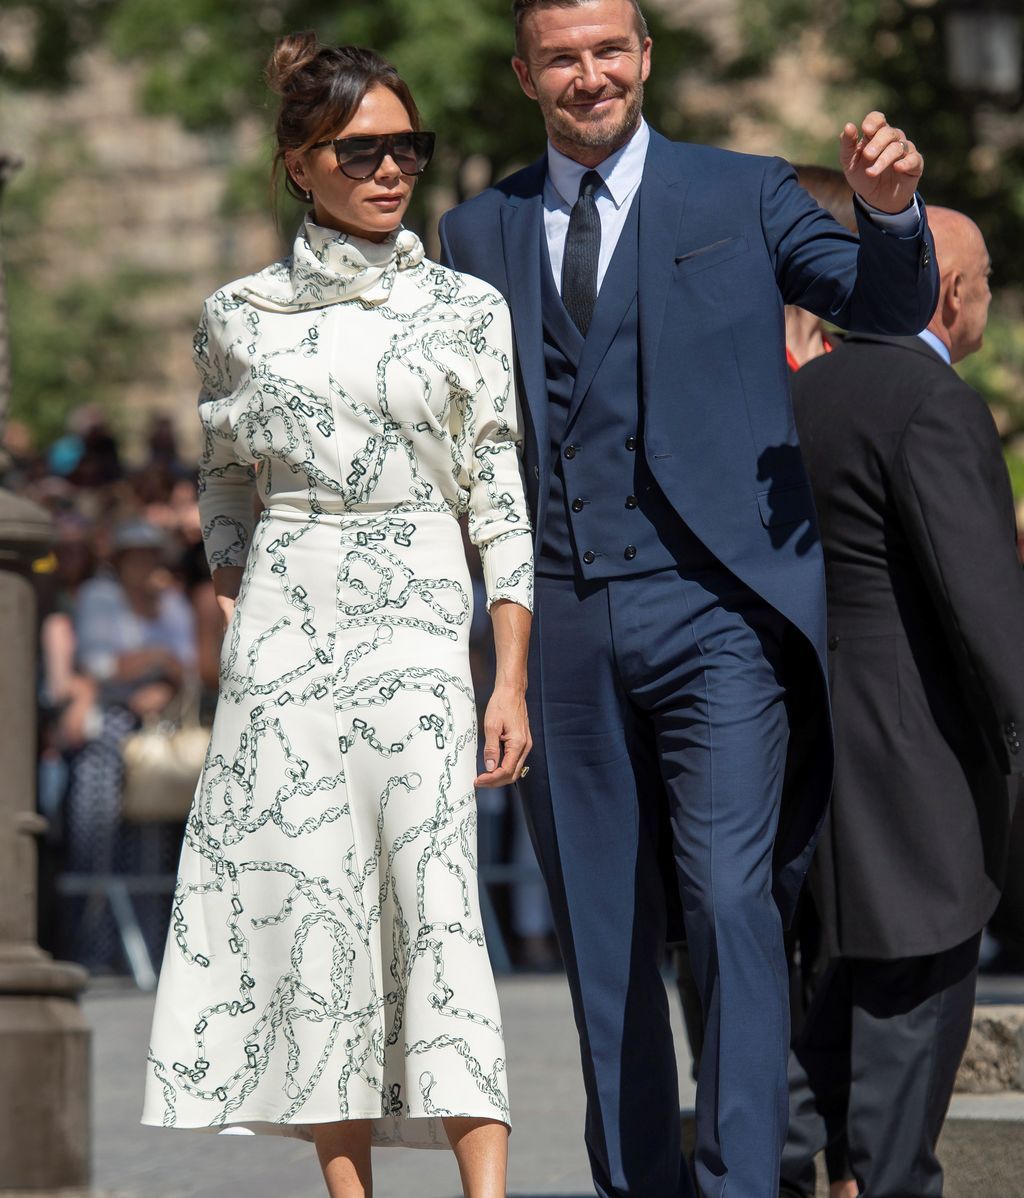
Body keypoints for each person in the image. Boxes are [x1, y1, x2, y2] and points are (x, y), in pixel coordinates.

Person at [439, 2, 938, 1195]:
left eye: (611, 49)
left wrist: (889, 213)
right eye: (563, 56)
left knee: (727, 903)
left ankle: (742, 1180)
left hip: (718, 612)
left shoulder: (743, 191)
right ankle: (638, 1183)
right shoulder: (474, 230)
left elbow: (885, 303)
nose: (591, 74)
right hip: (555, 620)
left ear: (646, 58)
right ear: (525, 74)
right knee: (601, 940)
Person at [141, 34, 534, 1198]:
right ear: (299, 163)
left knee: (440, 910)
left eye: (406, 145)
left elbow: (499, 496)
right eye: (360, 149)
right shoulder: (236, 315)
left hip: (420, 633)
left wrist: (504, 678)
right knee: (316, 922)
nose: (390, 168)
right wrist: (233, 602)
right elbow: (222, 478)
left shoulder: (467, 310)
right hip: (285, 649)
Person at [779, 207, 1024, 1198]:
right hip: (916, 789)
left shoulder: (799, 393)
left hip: (803, 780)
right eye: (987, 284)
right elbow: (986, 613)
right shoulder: (930, 401)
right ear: (952, 292)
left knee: (804, 1084)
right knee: (895, 1135)